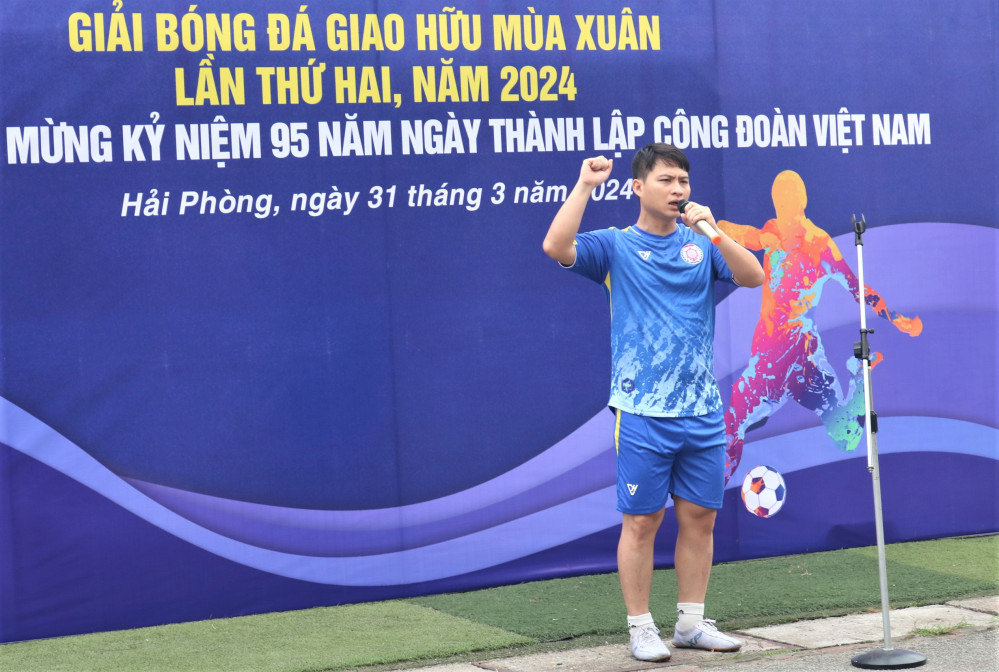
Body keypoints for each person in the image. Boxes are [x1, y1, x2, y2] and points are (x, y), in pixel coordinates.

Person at [543, 143, 764, 662]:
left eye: (683, 181)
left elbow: (754, 276)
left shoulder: (702, 244)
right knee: (642, 522)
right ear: (639, 187)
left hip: (702, 409)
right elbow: (556, 246)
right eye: (666, 180)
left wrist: (711, 230)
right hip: (642, 411)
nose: (677, 190)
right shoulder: (615, 246)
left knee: (700, 518)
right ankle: (641, 627)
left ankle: (690, 623)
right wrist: (585, 185)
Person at [715, 170, 922, 483]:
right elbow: (729, 230)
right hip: (767, 363)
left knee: (847, 439)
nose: (784, 213)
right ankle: (712, 496)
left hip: (805, 362)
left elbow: (856, 288)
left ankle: (858, 377)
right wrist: (725, 228)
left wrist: (893, 317)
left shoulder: (820, 245)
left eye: (789, 206)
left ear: (802, 203)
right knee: (731, 424)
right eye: (779, 206)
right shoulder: (772, 231)